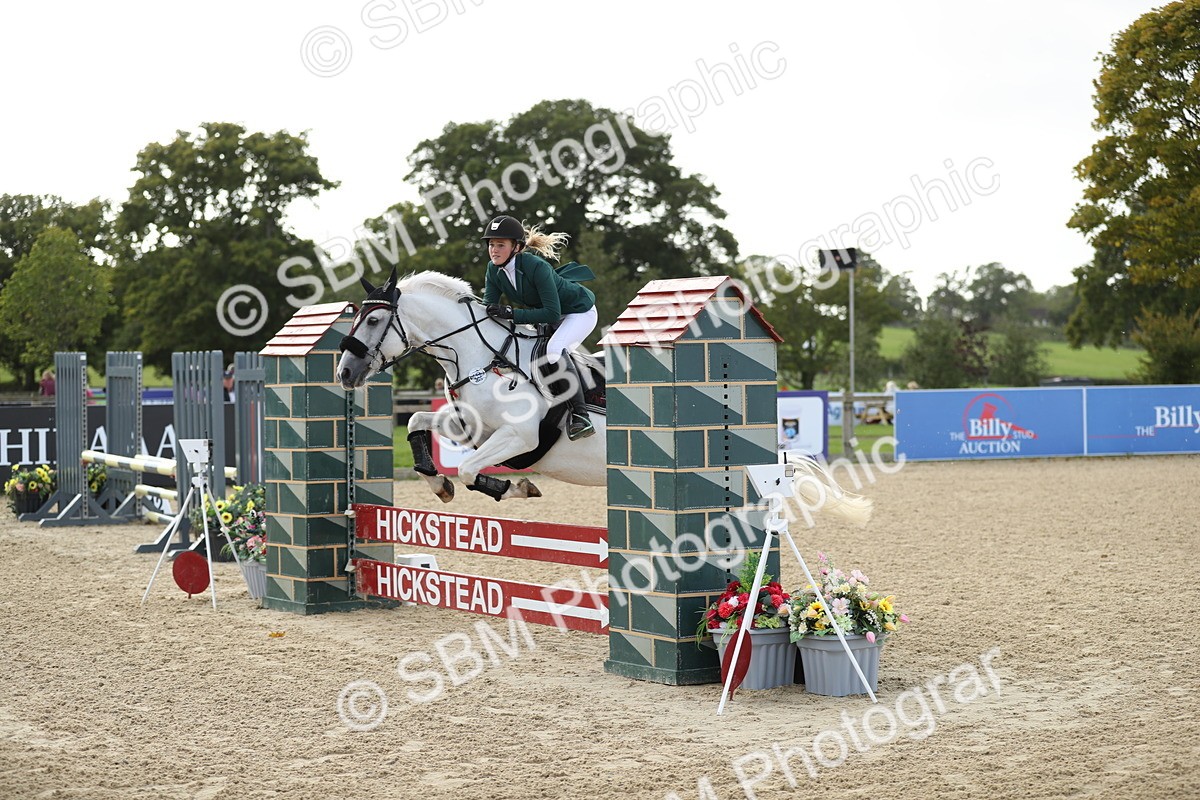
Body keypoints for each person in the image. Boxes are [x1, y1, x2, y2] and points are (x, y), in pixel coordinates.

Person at [480, 215, 597, 440]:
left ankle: (581, 417)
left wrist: (512, 314)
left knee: (553, 352)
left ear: (517, 247)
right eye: (491, 244)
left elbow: (552, 312)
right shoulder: (493, 270)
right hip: (548, 316)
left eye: (500, 245)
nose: (494, 250)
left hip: (578, 311)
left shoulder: (536, 266)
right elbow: (489, 308)